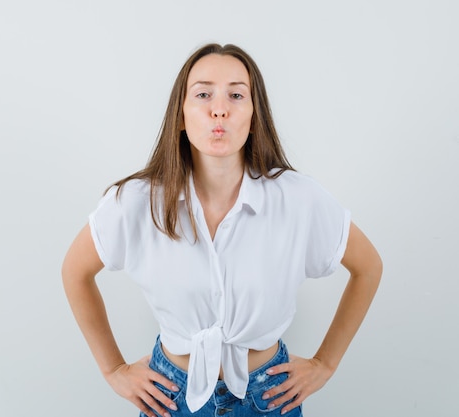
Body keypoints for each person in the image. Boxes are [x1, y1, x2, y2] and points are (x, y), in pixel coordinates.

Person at [62, 43, 382, 417]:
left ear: (253, 114)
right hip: (169, 399)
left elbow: (368, 267)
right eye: (203, 94)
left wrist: (325, 364)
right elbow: (75, 271)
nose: (220, 108)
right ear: (180, 116)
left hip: (269, 397)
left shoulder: (299, 198)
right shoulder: (136, 202)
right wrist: (113, 370)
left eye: (236, 94)